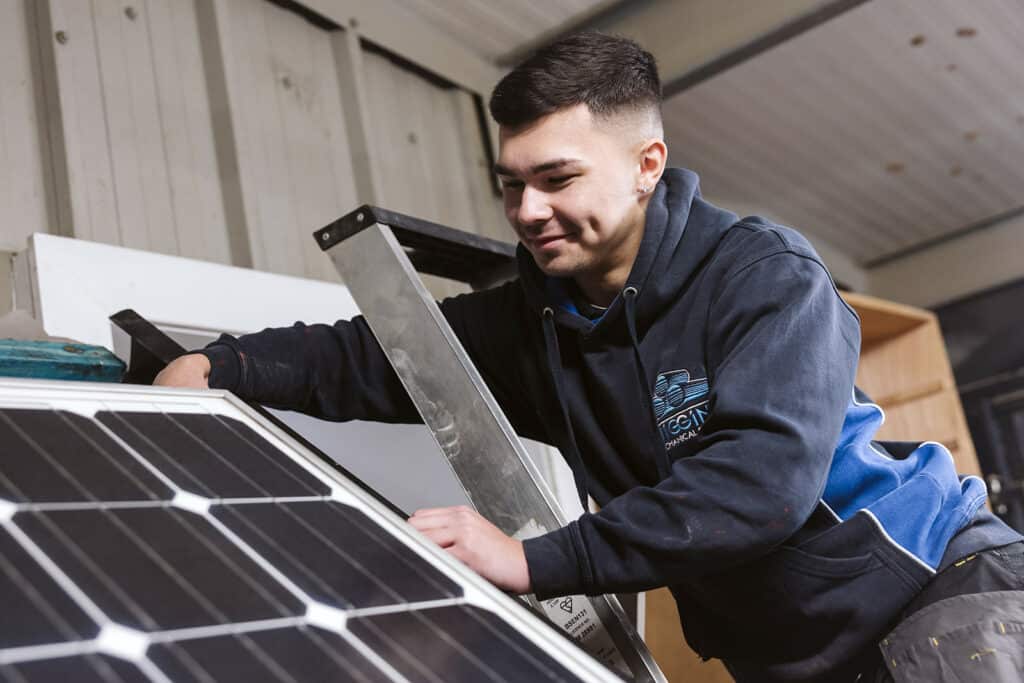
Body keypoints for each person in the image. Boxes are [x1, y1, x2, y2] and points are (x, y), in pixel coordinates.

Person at [156, 31, 1024, 682]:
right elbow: (382, 359)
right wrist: (218, 367)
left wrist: (532, 559)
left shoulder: (762, 276)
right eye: (511, 182)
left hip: (938, 590)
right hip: (795, 654)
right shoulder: (534, 318)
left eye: (558, 178)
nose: (527, 209)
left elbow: (761, 482)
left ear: (647, 164)